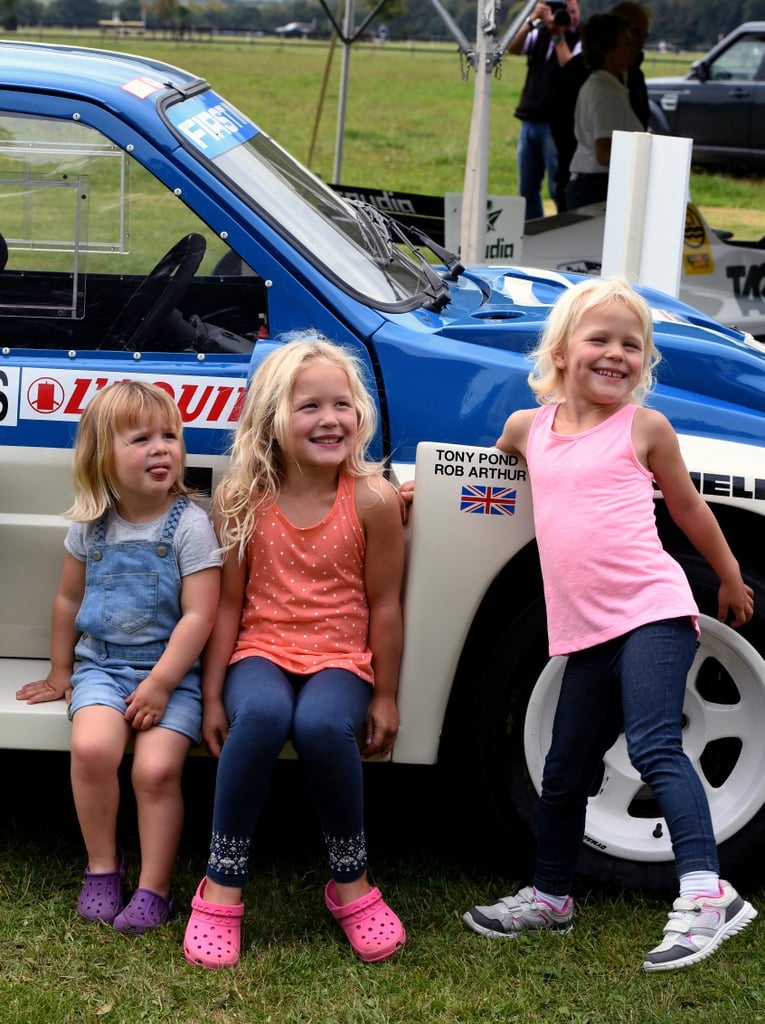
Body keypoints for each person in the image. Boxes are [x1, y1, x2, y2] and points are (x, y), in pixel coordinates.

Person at [462, 277, 757, 972]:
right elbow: (488, 467)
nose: (615, 354)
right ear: (560, 351)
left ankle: (706, 895)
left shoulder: (643, 428)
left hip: (653, 611)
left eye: (632, 345)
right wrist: (419, 488)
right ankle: (551, 897)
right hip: (584, 630)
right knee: (563, 771)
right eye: (599, 339)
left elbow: (688, 510)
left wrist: (730, 575)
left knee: (656, 744)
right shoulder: (527, 427)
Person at [183, 335, 406, 970]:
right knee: (260, 718)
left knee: (318, 725)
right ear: (272, 418)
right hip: (260, 649)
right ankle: (222, 883)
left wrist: (385, 693)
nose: (329, 419)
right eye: (309, 406)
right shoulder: (241, 497)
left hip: (341, 657)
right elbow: (228, 605)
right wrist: (211, 694)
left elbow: (385, 605)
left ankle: (351, 882)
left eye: (343, 404)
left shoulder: (372, 499)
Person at [16, 381, 221, 934]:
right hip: (101, 667)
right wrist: (62, 670)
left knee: (156, 770)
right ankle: (103, 867)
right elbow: (67, 599)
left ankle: (156, 887)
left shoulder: (192, 526)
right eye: (141, 439)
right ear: (102, 456)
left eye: (170, 436)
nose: (161, 448)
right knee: (90, 749)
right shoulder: (91, 525)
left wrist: (160, 683)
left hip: (172, 674)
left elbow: (200, 616)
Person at [508, 0, 582, 220]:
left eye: (572, 12)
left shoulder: (581, 38)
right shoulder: (539, 33)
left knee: (557, 187)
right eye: (561, 12)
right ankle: (533, 234)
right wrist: (531, 20)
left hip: (558, 125)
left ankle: (563, 233)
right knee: (527, 190)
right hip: (530, 120)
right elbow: (513, 47)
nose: (567, 16)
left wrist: (558, 35)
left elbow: (571, 68)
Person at [565, 13, 642, 211]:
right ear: (607, 51)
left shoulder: (601, 84)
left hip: (591, 184)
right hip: (597, 187)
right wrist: (647, 160)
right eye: (626, 44)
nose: (634, 49)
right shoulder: (607, 93)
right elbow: (604, 153)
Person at [610, 1, 651, 129]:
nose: (640, 43)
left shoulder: (636, 75)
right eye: (635, 33)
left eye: (644, 36)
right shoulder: (586, 72)